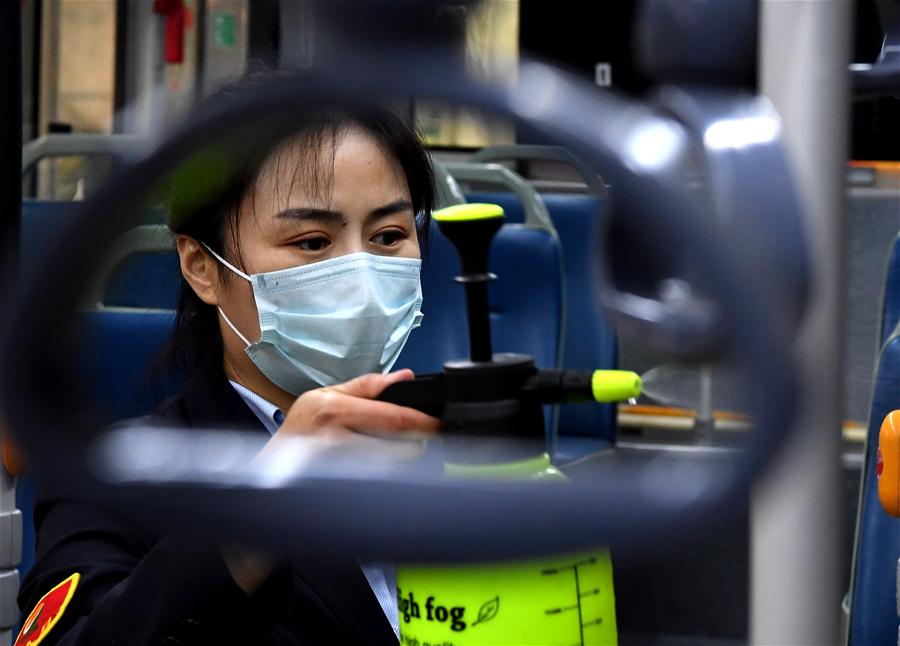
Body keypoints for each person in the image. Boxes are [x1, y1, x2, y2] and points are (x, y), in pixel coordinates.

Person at [16, 78, 441, 646]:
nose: (361, 276)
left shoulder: (466, 449)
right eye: (312, 243)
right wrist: (252, 518)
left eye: (389, 235)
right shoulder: (118, 479)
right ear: (202, 267)